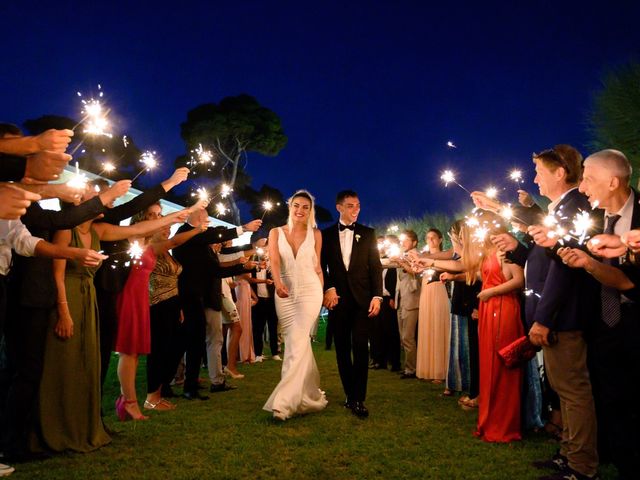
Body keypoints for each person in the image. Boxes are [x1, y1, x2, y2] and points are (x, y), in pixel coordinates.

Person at [33, 183, 190, 452]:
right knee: (76, 359)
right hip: (80, 296)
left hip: (96, 296)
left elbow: (136, 230)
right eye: (95, 199)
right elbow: (57, 272)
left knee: (94, 360)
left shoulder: (98, 230)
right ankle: (70, 420)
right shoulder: (67, 229)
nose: (103, 205)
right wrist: (63, 310)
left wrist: (176, 218)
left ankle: (88, 420)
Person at [559, 149, 640, 479]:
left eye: (588, 178)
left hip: (634, 324)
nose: (582, 187)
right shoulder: (596, 221)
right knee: (611, 403)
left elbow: (626, 282)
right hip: (603, 326)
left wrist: (590, 264)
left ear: (613, 181)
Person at [114, 201, 207, 420]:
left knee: (135, 353)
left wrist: (197, 229)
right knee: (130, 352)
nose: (158, 219)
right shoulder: (132, 238)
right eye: (152, 214)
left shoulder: (149, 245)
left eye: (159, 214)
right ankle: (132, 402)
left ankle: (129, 401)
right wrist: (190, 219)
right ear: (139, 217)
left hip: (144, 299)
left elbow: (174, 240)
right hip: (138, 298)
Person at [172, 209, 261, 400]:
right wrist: (243, 228)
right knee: (191, 342)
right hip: (191, 295)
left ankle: (192, 383)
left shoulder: (201, 242)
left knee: (198, 342)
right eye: (206, 218)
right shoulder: (185, 234)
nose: (208, 223)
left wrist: (242, 266)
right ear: (197, 219)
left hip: (205, 297)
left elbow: (215, 270)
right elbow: (214, 236)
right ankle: (185, 386)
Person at [264, 190, 327, 420]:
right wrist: (278, 285)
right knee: (294, 343)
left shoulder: (316, 234)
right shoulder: (275, 233)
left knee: (298, 340)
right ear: (290, 207)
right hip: (285, 294)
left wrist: (323, 293)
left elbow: (318, 267)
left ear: (311, 211)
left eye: (306, 207)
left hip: (311, 291)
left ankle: (283, 403)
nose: (300, 210)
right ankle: (306, 394)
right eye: (296, 205)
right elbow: (274, 260)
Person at [321, 190, 382, 418]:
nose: (355, 210)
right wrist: (328, 288)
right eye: (350, 206)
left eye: (357, 206)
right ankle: (349, 394)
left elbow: (375, 267)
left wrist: (377, 296)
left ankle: (359, 398)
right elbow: (320, 267)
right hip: (337, 301)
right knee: (342, 350)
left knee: (359, 345)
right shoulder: (325, 235)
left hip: (362, 300)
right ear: (339, 207)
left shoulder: (368, 233)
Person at [416, 228, 451, 383]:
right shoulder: (424, 256)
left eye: (433, 238)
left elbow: (447, 268)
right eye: (428, 237)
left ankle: (440, 370)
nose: (430, 240)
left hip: (438, 290)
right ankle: (427, 368)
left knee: (438, 326)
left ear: (440, 239)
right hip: (426, 291)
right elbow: (416, 270)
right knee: (427, 326)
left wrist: (430, 263)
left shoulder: (445, 256)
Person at [390, 230, 421, 379]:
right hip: (401, 299)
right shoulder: (403, 255)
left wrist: (400, 262)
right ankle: (408, 366)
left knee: (408, 337)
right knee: (403, 337)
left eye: (406, 240)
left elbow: (415, 271)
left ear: (414, 242)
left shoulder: (416, 255)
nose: (403, 243)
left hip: (412, 300)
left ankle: (412, 369)